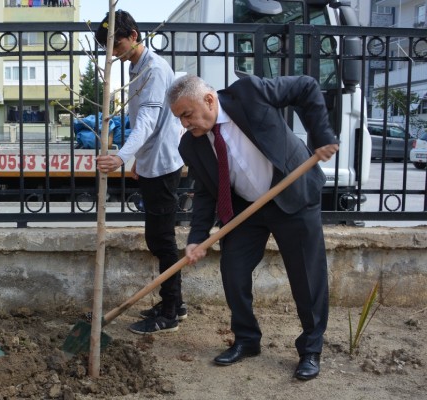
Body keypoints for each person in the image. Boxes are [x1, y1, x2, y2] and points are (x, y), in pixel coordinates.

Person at [168, 74, 338, 380]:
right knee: (233, 270)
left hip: (292, 194)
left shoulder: (249, 93)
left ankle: (310, 348)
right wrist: (197, 238)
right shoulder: (190, 146)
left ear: (208, 100)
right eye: (179, 118)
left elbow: (306, 87)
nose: (184, 123)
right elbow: (207, 192)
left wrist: (321, 134)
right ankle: (247, 339)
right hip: (246, 209)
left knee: (306, 277)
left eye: (186, 114)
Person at [95, 10, 187, 334]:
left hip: (163, 164)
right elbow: (149, 123)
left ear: (133, 35)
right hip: (151, 163)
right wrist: (138, 160)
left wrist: (121, 156)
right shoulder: (137, 67)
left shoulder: (155, 69)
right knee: (158, 238)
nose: (112, 51)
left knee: (161, 239)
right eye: (107, 46)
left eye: (116, 43)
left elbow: (149, 121)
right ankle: (174, 301)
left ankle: (171, 311)